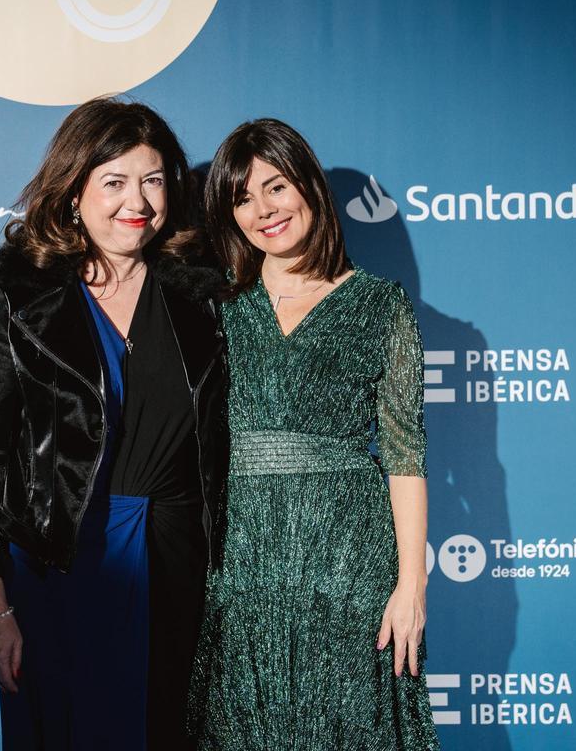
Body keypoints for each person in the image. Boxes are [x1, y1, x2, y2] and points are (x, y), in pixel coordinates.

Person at [0, 96, 228, 751]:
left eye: (154, 180)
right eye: (115, 181)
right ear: (73, 191)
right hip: (59, 567)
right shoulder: (16, 286)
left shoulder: (201, 285)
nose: (139, 200)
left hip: (180, 564)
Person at [189, 118, 440, 750]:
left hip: (349, 559)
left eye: (275, 187)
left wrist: (411, 588)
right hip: (239, 556)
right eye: (242, 198)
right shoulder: (215, 307)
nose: (262, 210)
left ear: (309, 186)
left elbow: (406, 453)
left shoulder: (381, 305)